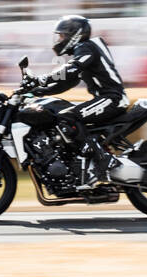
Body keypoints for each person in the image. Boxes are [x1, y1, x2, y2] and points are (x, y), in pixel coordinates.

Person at [27, 14, 130, 188]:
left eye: (62, 35)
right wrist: (38, 91)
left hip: (112, 99)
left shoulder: (86, 47)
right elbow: (68, 82)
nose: (59, 40)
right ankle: (83, 164)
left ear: (74, 35)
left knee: (68, 117)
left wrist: (41, 79)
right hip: (106, 98)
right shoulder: (84, 50)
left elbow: (72, 69)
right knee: (62, 116)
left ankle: (103, 162)